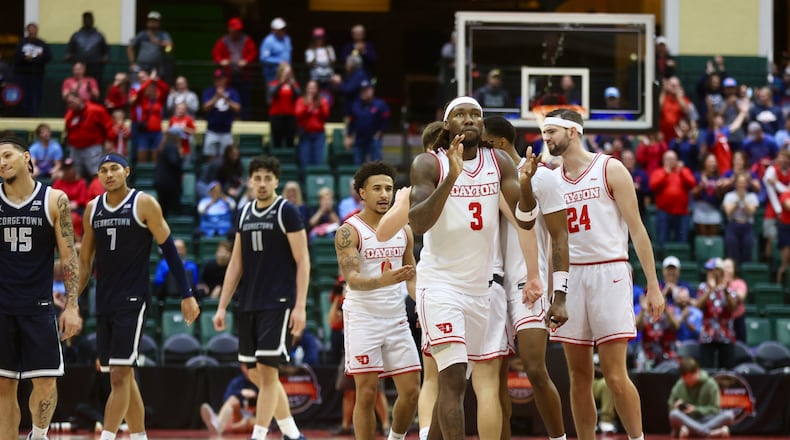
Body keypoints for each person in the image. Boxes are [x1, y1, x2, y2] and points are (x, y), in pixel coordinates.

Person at [408, 97, 539, 440]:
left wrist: (526, 187)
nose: (469, 120)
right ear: (447, 123)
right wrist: (451, 177)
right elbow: (418, 222)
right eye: (461, 115)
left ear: (482, 124)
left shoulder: (498, 162)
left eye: (475, 115)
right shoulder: (429, 164)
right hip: (440, 286)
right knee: (452, 379)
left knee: (478, 384)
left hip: (483, 289)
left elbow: (525, 219)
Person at [543, 109, 664, 440]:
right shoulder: (550, 179)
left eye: (552, 131)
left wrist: (653, 286)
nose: (546, 138)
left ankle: (637, 438)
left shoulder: (610, 168)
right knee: (578, 375)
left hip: (609, 272)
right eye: (544, 134)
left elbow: (638, 231)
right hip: (570, 278)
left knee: (614, 374)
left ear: (573, 131)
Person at [77, 152, 200, 440]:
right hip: (104, 300)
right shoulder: (92, 209)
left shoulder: (143, 203)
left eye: (115, 169)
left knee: (119, 375)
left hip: (132, 300)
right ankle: (140, 436)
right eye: (103, 170)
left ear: (127, 171)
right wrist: (73, 301)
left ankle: (107, 437)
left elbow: (169, 248)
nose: (109, 174)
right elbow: (84, 262)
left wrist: (187, 294)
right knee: (123, 376)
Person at [482, 116, 570, 440]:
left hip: (527, 281)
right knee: (494, 379)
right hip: (490, 282)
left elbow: (560, 237)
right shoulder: (481, 179)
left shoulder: (543, 179)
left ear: (500, 145)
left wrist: (560, 294)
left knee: (534, 367)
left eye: (485, 145)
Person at [212, 156, 308, 440]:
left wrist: (300, 306)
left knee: (267, 373)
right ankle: (292, 433)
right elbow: (236, 264)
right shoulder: (243, 213)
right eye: (257, 178)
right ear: (250, 181)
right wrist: (221, 306)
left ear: (276, 181)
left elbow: (303, 260)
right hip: (248, 303)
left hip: (277, 302)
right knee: (255, 373)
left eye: (268, 178)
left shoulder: (287, 211)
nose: (262, 183)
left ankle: (260, 434)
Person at [0, 136, 81, 440]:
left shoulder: (53, 199)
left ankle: (38, 434)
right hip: (2, 306)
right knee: (3, 386)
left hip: (38, 306)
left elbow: (69, 255)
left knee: (46, 382)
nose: (2, 162)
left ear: (27, 158)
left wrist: (72, 306)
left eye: (8, 155)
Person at [334, 161, 421, 440]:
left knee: (411, 391)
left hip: (396, 317)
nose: (384, 194)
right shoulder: (349, 231)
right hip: (363, 317)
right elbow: (352, 279)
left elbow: (410, 275)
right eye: (377, 189)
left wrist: (420, 301)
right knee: (367, 392)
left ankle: (395, 438)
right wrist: (381, 282)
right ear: (362, 193)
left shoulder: (404, 229)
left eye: (389, 188)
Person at [668, 357, 734, 438]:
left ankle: (691, 432)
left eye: (691, 377)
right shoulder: (679, 385)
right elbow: (671, 406)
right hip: (687, 419)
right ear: (682, 377)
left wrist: (696, 409)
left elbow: (715, 409)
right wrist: (675, 406)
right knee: (674, 414)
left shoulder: (711, 384)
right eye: (686, 379)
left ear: (697, 371)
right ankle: (710, 434)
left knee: (729, 415)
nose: (689, 381)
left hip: (706, 419)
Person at [696, 258, 737, 370]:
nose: (710, 273)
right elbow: (698, 306)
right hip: (707, 336)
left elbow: (733, 307)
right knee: (706, 371)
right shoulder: (703, 287)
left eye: (712, 270)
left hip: (726, 336)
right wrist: (710, 290)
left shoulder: (729, 289)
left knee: (727, 372)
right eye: (708, 270)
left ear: (720, 271)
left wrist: (725, 292)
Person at [212, 17, 257, 120]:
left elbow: (252, 53)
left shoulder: (246, 39)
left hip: (243, 75)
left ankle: (245, 119)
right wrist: (221, 61)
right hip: (228, 76)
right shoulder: (223, 40)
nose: (237, 32)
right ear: (229, 29)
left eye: (239, 29)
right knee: (229, 97)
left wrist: (246, 61)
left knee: (245, 99)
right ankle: (230, 118)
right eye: (235, 29)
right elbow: (216, 54)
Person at [201, 364, 258, 435]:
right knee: (232, 399)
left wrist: (256, 396)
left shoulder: (261, 383)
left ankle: (224, 429)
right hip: (240, 416)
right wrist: (241, 392)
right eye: (247, 367)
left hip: (256, 418)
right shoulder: (237, 381)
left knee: (250, 422)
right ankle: (218, 423)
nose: (249, 370)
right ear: (242, 367)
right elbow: (226, 400)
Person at [346, 80, 390, 164]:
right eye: (362, 90)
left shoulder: (380, 104)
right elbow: (352, 122)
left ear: (371, 90)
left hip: (374, 139)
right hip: (359, 140)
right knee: (358, 166)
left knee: (376, 165)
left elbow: (385, 120)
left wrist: (380, 132)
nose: (364, 93)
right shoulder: (355, 105)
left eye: (366, 90)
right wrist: (349, 135)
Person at [13, 22, 51, 116]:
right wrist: (24, 57)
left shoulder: (42, 43)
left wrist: (41, 56)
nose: (33, 33)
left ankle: (34, 115)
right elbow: (16, 57)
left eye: (34, 31)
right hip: (22, 75)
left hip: (37, 75)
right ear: (27, 31)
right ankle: (23, 115)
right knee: (23, 97)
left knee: (36, 97)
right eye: (31, 31)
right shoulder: (21, 43)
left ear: (37, 31)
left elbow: (49, 57)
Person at [202, 69, 241, 161]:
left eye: (221, 79)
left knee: (228, 158)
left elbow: (237, 108)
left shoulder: (232, 92)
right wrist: (216, 97)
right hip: (212, 130)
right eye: (216, 79)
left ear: (225, 79)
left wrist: (225, 98)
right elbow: (205, 108)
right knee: (210, 158)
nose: (218, 81)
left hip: (226, 131)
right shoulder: (209, 92)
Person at [64, 11, 109, 90]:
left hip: (96, 67)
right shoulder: (76, 35)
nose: (88, 21)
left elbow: (106, 51)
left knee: (94, 87)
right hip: (80, 67)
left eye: (90, 19)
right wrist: (69, 56)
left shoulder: (99, 35)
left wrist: (105, 58)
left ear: (93, 20)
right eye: (86, 19)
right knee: (80, 88)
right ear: (83, 20)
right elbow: (70, 50)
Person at [127, 11, 173, 79]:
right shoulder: (142, 34)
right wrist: (132, 63)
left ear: (159, 23)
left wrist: (159, 42)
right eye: (151, 21)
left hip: (157, 67)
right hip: (141, 66)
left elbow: (170, 46)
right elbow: (130, 47)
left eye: (155, 21)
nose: (152, 23)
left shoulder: (163, 34)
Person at [259, 18, 292, 85]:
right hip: (273, 75)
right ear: (273, 30)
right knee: (273, 94)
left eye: (284, 28)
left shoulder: (287, 38)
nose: (283, 31)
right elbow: (264, 58)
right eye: (280, 29)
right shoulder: (268, 41)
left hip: (287, 74)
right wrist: (279, 61)